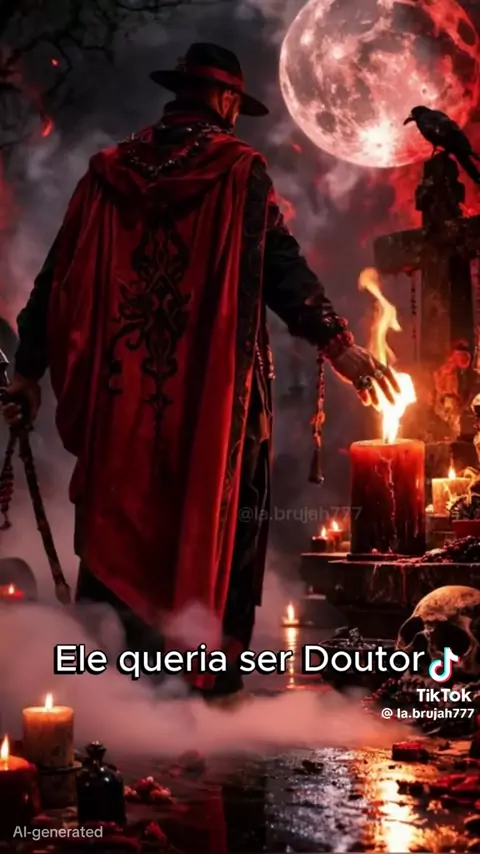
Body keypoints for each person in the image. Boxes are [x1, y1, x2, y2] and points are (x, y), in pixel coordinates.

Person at [2, 43, 398, 702]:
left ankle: (117, 686)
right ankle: (209, 685)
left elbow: (56, 277)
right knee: (226, 518)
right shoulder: (238, 172)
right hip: (214, 400)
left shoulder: (105, 173)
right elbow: (281, 268)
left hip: (122, 394)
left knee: (124, 518)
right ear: (224, 100)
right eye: (236, 104)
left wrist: (27, 371)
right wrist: (340, 346)